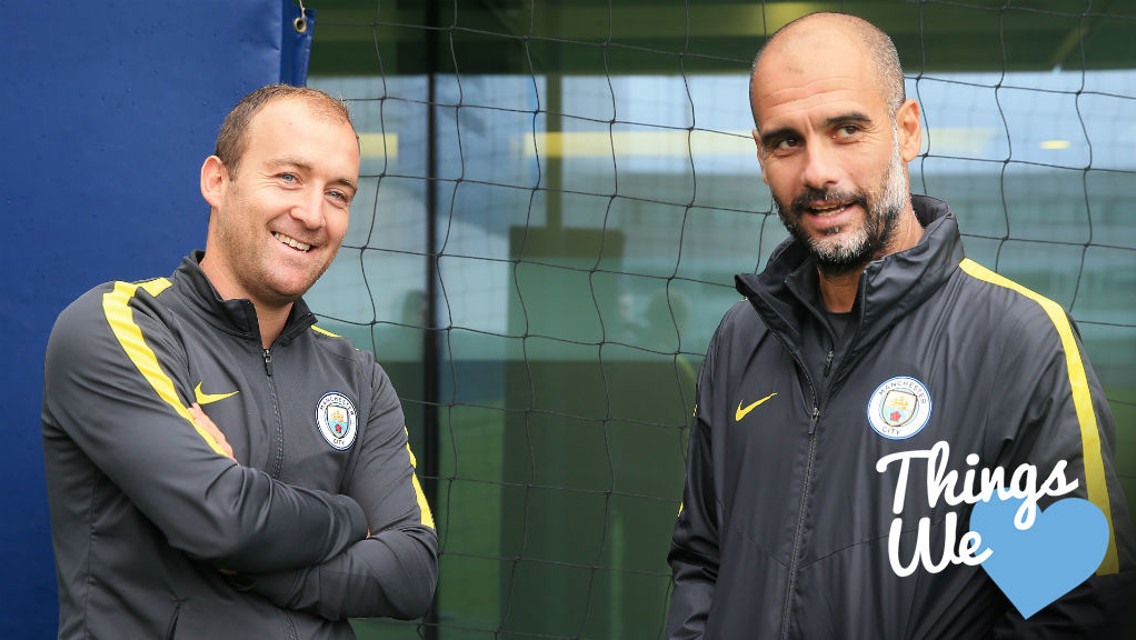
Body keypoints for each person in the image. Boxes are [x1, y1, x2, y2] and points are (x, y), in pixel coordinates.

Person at [667, 12, 1134, 639]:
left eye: (847, 129)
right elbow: (701, 560)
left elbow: (1074, 608)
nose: (817, 172)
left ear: (906, 129)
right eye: (786, 141)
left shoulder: (1019, 339)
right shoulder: (741, 337)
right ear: (761, 154)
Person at [42, 85, 438, 639]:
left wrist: (260, 565)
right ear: (217, 181)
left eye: (338, 194)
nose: (312, 214)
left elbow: (413, 572)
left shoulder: (358, 378)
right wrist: (350, 517)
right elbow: (224, 520)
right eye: (289, 177)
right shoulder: (119, 325)